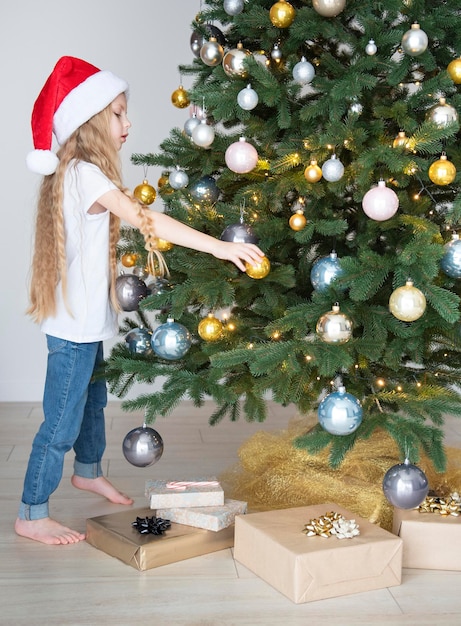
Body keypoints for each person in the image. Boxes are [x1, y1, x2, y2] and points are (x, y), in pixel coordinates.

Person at [16, 56, 264, 546]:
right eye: (118, 114)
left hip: (85, 322)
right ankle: (31, 511)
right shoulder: (85, 174)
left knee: (91, 404)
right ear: (90, 122)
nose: (128, 124)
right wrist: (219, 245)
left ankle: (87, 471)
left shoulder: (80, 171)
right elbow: (146, 218)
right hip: (73, 330)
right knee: (60, 423)